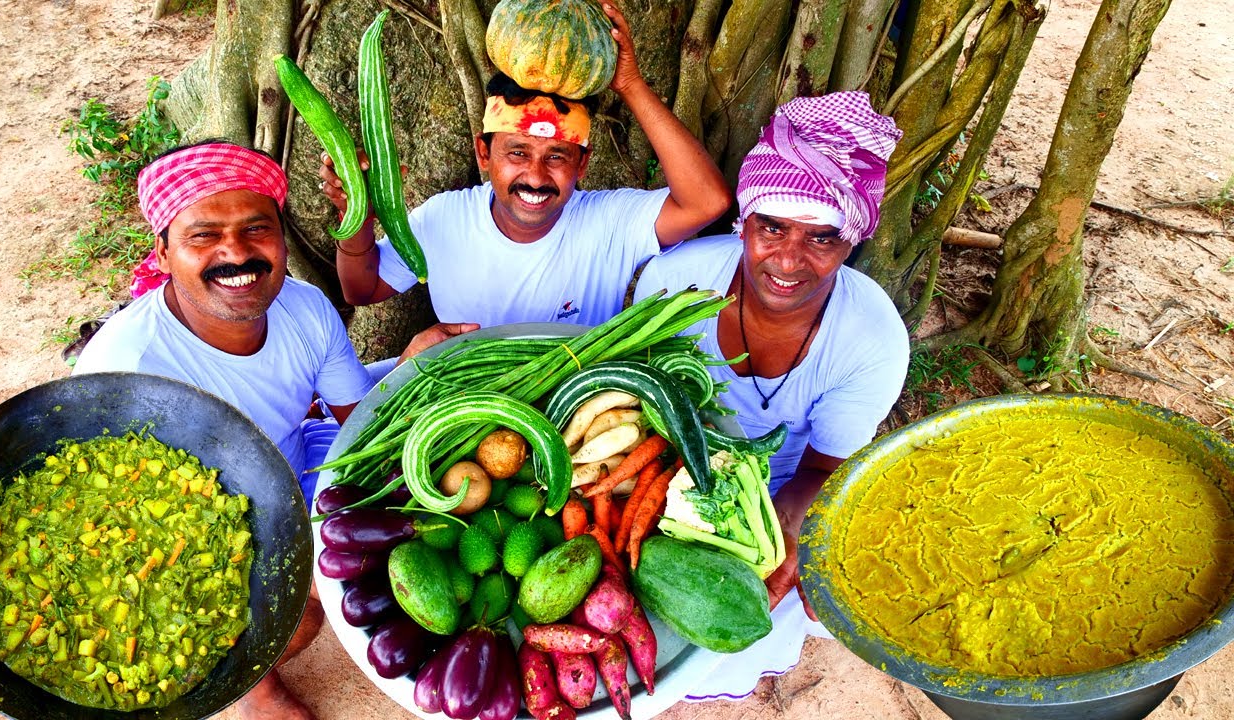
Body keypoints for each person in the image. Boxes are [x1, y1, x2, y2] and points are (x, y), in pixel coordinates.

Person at [72, 140, 471, 720]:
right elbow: (116, 537)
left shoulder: (305, 309)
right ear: (162, 253)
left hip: (294, 463)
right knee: (301, 614)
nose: (236, 252)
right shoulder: (125, 369)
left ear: (282, 239)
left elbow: (358, 424)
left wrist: (409, 368)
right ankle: (252, 688)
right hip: (190, 528)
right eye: (203, 235)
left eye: (256, 228)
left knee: (378, 544)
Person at [632, 91, 909, 701]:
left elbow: (822, 466)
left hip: (780, 490)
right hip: (657, 470)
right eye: (773, 227)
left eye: (823, 238)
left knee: (745, 623)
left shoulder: (871, 340)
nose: (788, 259)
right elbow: (637, 398)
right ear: (745, 223)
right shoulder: (677, 284)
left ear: (853, 240)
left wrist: (779, 522)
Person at [323, 1, 730, 327]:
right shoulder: (444, 220)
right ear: (484, 155)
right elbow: (362, 290)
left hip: (578, 413)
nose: (535, 177)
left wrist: (630, 85)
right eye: (517, 153)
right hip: (471, 409)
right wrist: (356, 213)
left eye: (557, 156)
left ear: (582, 164)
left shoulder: (610, 223)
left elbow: (707, 201)